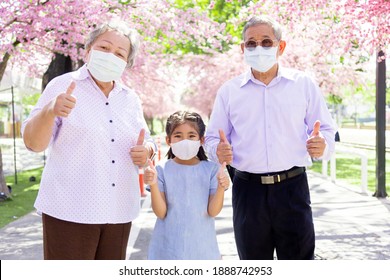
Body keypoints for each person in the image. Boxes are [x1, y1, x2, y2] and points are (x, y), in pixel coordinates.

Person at [21, 20, 156, 260]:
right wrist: (50, 110)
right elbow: (33, 143)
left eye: (119, 53)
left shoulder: (130, 98)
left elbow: (146, 140)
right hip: (69, 210)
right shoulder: (62, 85)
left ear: (126, 63)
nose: (110, 56)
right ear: (88, 49)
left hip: (118, 212)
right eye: (104, 48)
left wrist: (147, 151)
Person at [205, 15, 337, 260]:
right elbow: (212, 138)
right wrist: (217, 151)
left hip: (293, 189)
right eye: (251, 43)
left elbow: (327, 130)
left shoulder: (303, 84)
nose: (259, 48)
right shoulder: (229, 91)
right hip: (248, 192)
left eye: (267, 42)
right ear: (243, 49)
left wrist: (323, 145)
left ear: (281, 46)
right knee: (253, 264)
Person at [143, 111, 230, 259]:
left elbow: (213, 211)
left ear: (201, 140)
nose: (185, 141)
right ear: (168, 140)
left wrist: (221, 188)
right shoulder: (161, 170)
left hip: (203, 250)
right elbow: (161, 213)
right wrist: (154, 184)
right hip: (167, 250)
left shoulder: (212, 170)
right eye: (178, 136)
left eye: (191, 136)